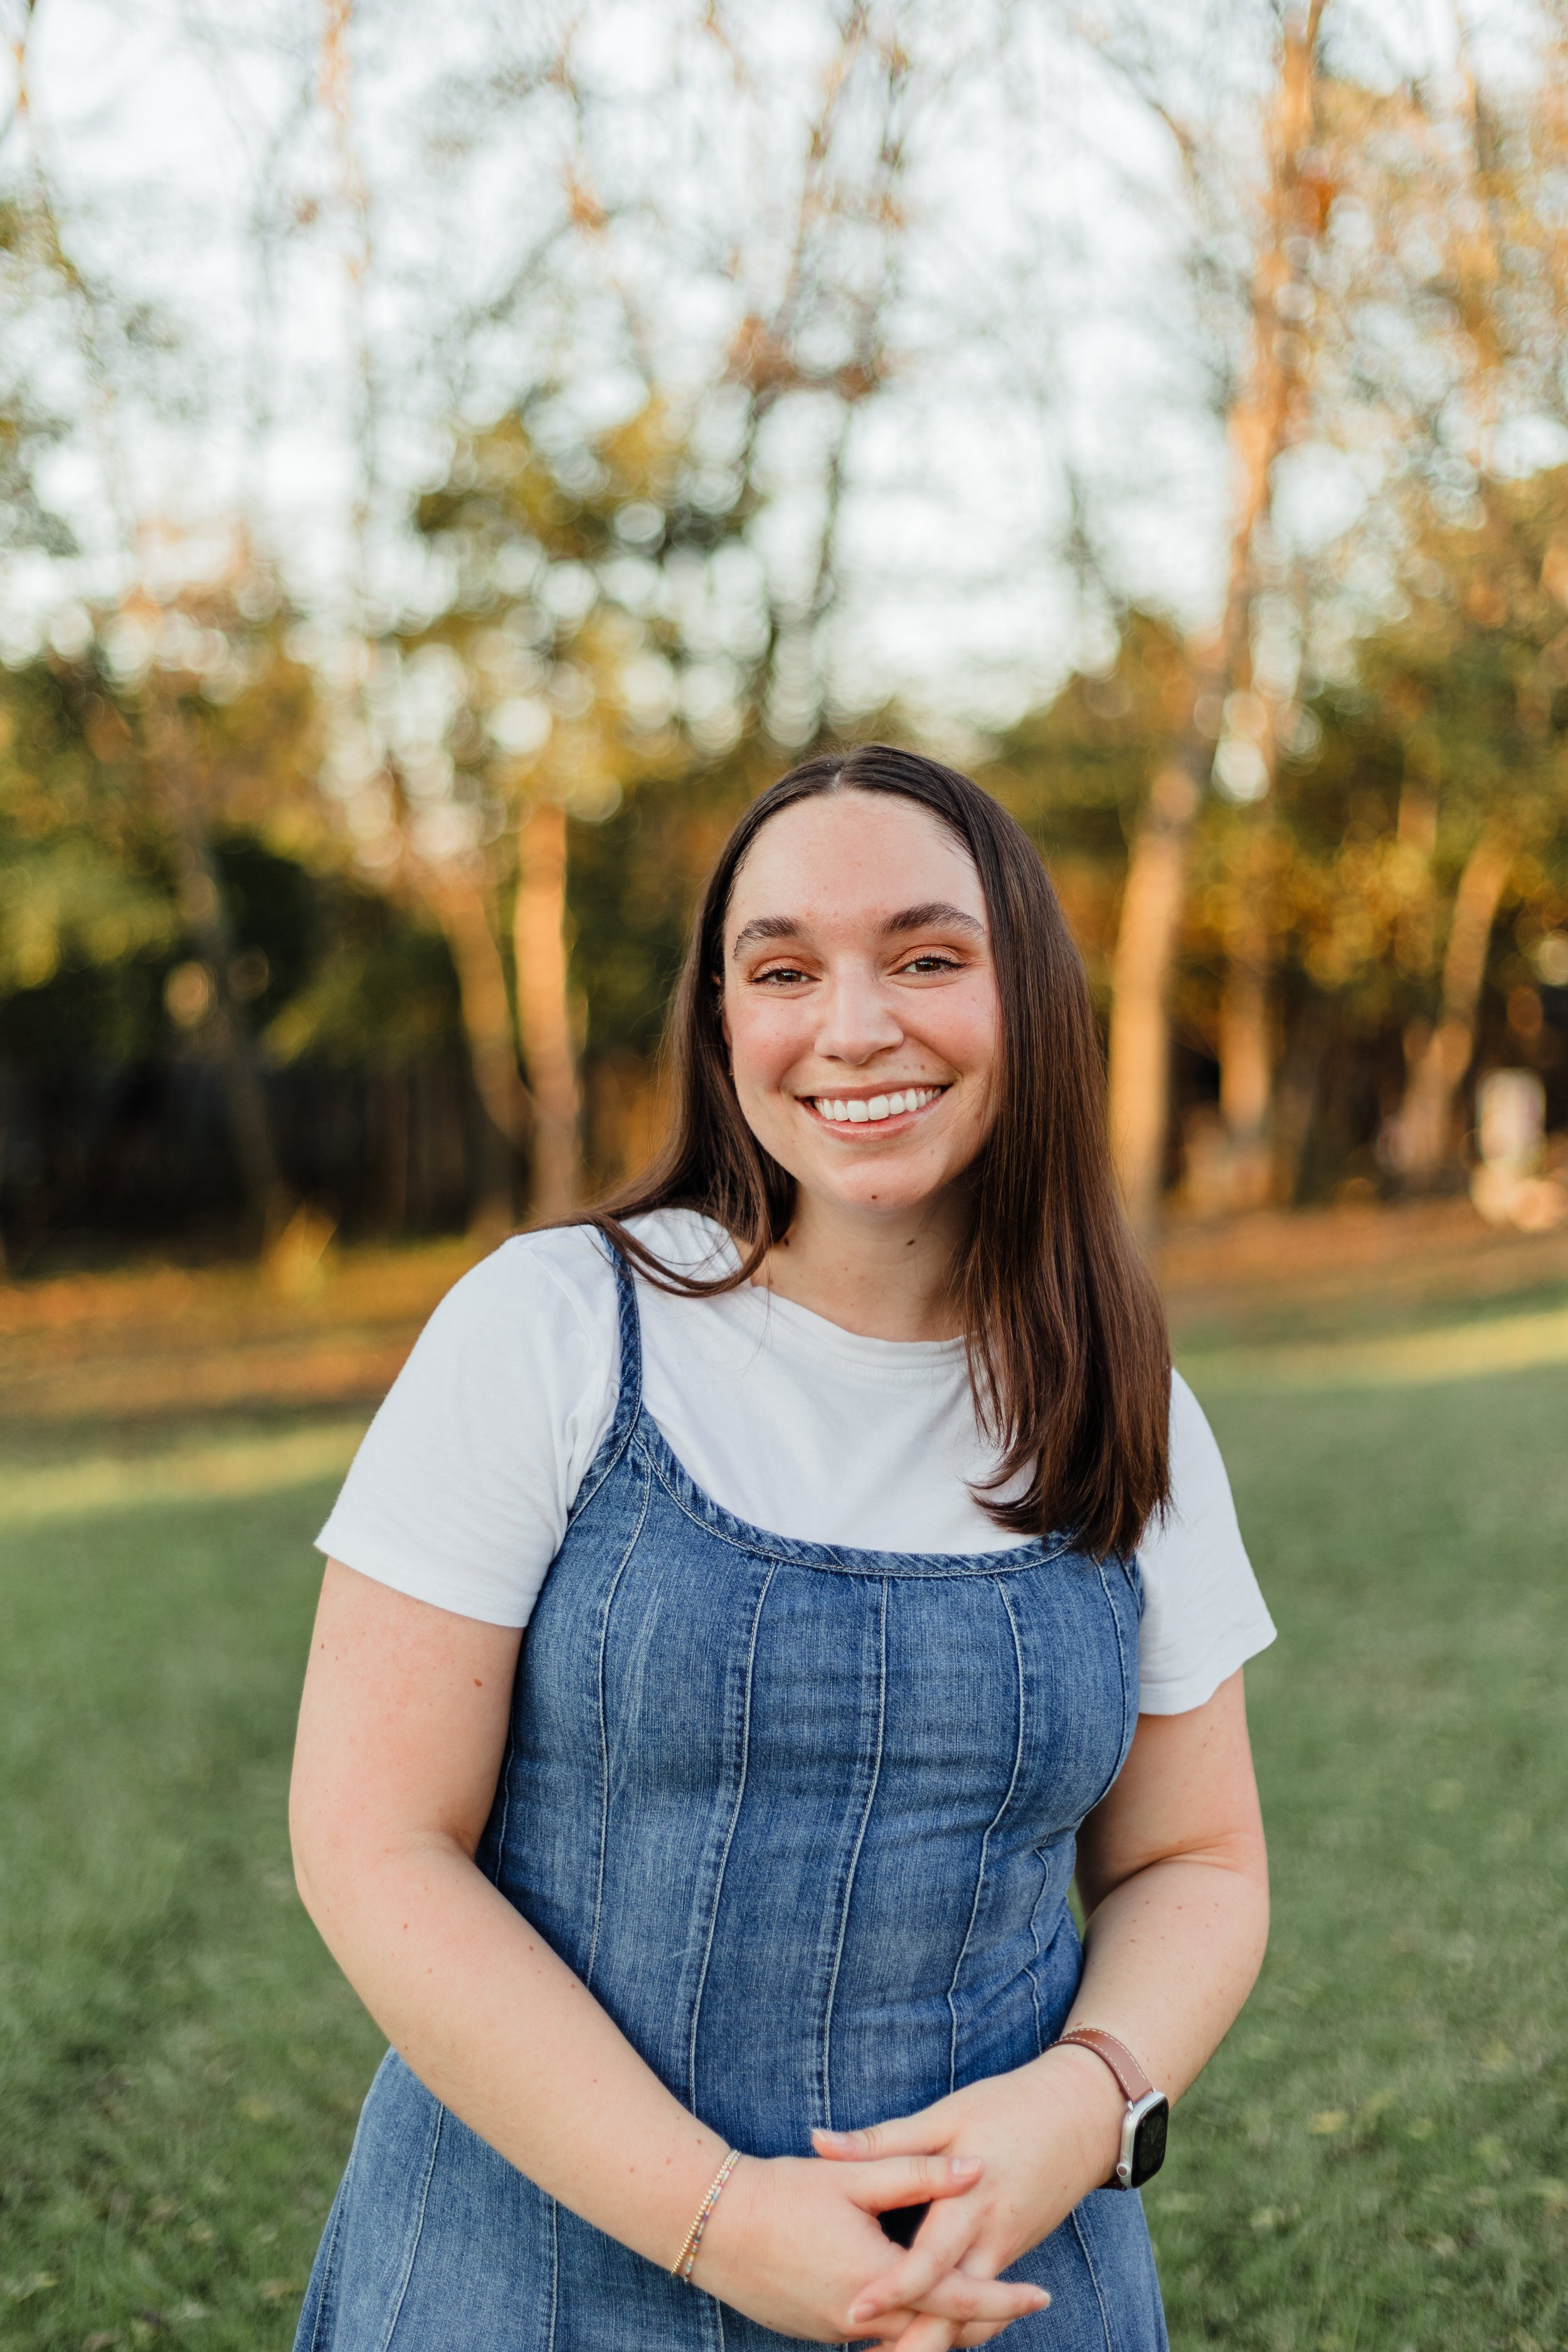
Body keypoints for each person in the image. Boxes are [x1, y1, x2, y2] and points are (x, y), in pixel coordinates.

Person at [289, 744, 1274, 2352]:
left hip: (1001, 2293)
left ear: (1026, 994)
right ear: (723, 1022)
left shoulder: (1119, 1399)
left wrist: (1084, 2106)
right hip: (523, 2281)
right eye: (784, 970)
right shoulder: (551, 1327)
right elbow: (372, 1836)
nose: (853, 1025)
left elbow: (1198, 1862)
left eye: (926, 957)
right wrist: (719, 2217)